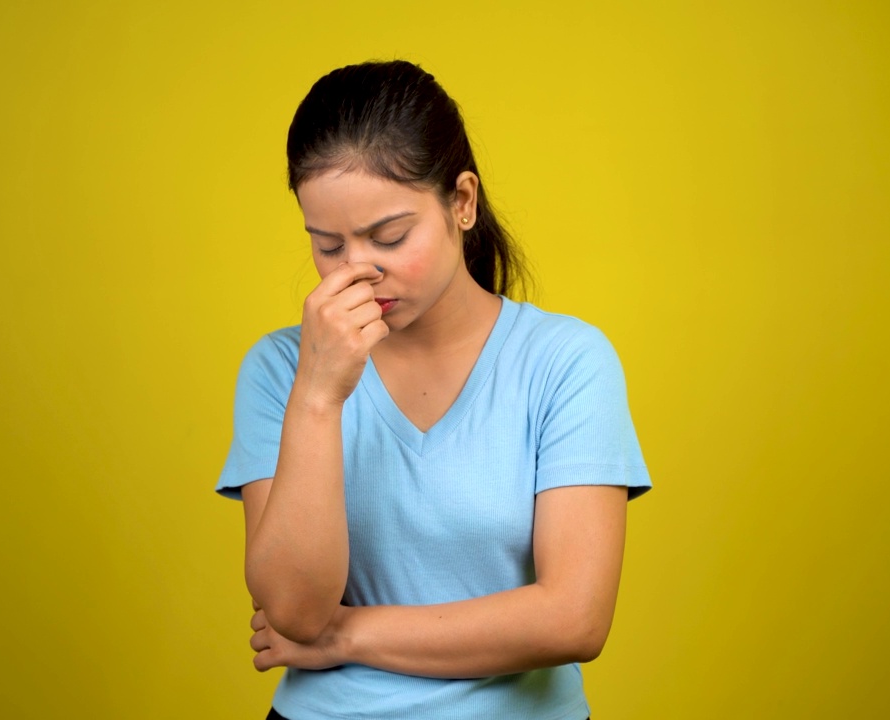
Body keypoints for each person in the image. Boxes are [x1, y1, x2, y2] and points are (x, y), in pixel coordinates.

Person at [216, 60, 651, 720]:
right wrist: (319, 396)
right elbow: (296, 612)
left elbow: (575, 620)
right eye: (327, 245)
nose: (358, 270)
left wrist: (347, 635)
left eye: (390, 237)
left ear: (463, 202)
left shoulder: (566, 361)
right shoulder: (280, 369)